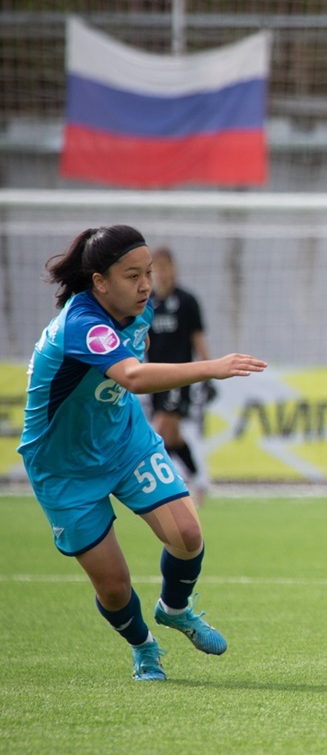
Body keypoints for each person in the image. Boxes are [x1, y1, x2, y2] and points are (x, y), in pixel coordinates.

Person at [18, 225, 267, 681]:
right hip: (62, 465)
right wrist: (215, 367)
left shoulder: (140, 309)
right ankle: (143, 647)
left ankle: (174, 608)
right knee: (113, 588)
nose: (146, 284)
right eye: (132, 275)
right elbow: (132, 375)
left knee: (188, 535)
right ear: (99, 281)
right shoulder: (81, 324)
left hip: (123, 439)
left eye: (148, 272)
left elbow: (138, 352)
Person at [147, 247, 212, 506]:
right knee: (172, 438)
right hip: (153, 378)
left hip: (179, 376)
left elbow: (198, 338)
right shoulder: (147, 304)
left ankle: (167, 487)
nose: (163, 273)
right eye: (158, 268)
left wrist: (207, 371)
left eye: (167, 267)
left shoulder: (186, 301)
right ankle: (198, 479)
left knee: (162, 429)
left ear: (174, 269)